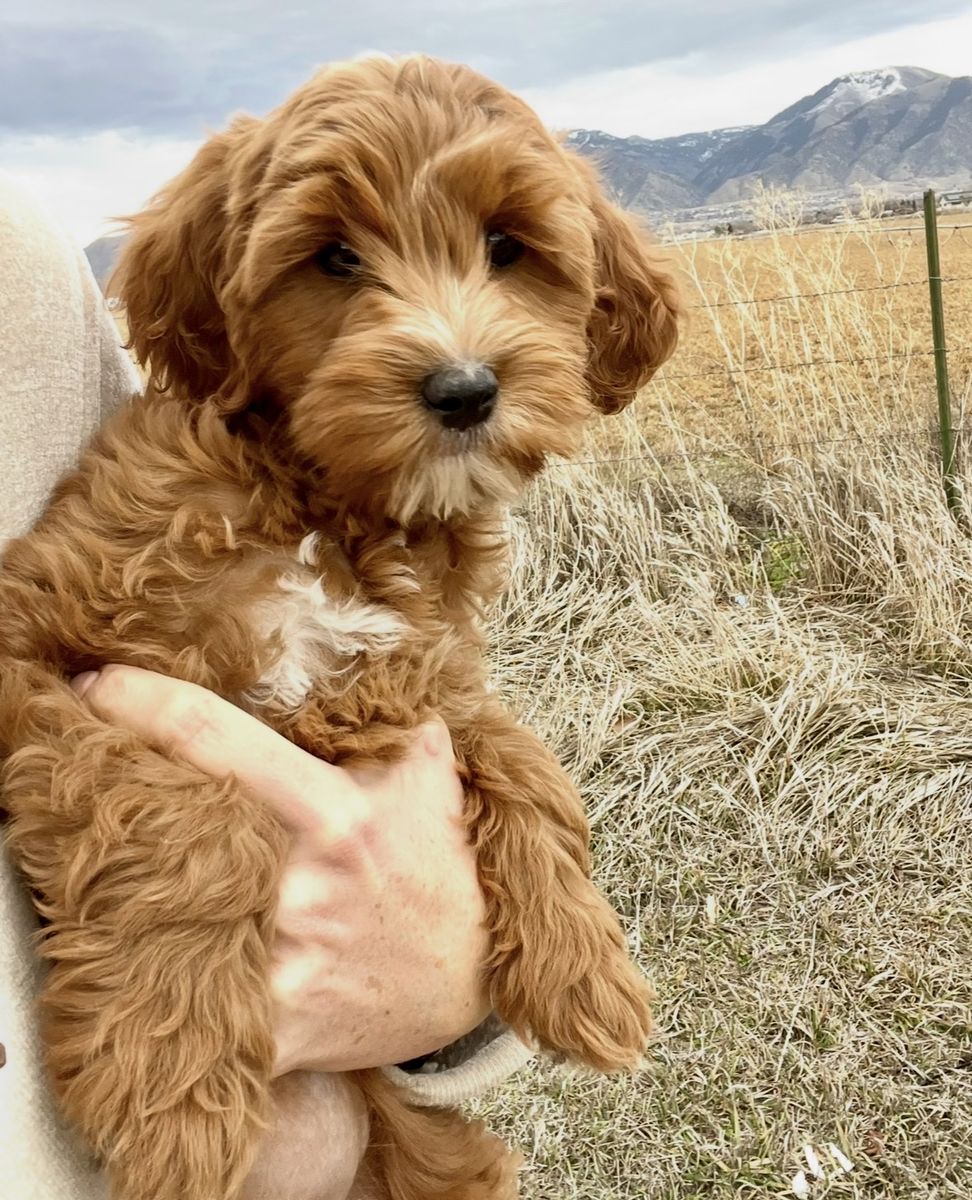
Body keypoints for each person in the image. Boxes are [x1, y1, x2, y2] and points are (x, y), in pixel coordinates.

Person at [0, 176, 531, 1199]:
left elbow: (325, 722)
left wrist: (454, 989)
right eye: (340, 261)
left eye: (503, 249)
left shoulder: (17, 274)